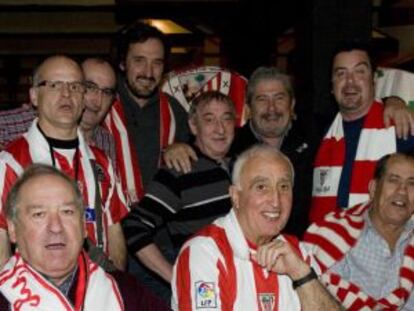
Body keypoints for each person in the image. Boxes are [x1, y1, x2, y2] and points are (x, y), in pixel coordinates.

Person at [171, 145, 341, 310]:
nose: (275, 201)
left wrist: (302, 275)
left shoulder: (298, 253)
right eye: (261, 187)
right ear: (236, 196)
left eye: (284, 187)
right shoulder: (204, 253)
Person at [0, 55, 128, 271]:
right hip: (36, 292)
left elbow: (114, 233)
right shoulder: (10, 163)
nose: (66, 94)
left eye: (76, 86)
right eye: (54, 85)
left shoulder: (101, 161)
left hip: (97, 289)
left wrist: (115, 287)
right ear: (34, 96)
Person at [0, 164, 169, 310]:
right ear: (13, 229)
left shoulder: (126, 291)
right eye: (39, 214)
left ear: (83, 226)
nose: (56, 227)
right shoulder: (4, 297)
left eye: (67, 212)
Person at [122, 91, 235, 301]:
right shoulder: (179, 170)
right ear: (193, 126)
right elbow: (133, 226)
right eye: (209, 120)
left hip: (240, 286)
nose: (220, 129)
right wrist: (175, 277)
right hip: (206, 293)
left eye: (226, 119)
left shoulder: (240, 165)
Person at [310, 41, 414, 223]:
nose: (350, 81)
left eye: (359, 72)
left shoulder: (401, 129)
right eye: (341, 73)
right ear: (331, 86)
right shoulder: (316, 134)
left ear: (373, 79)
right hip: (325, 244)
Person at [304, 152, 414, 310]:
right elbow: (314, 298)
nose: (402, 191)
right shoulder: (333, 234)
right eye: (393, 180)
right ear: (374, 188)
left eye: (412, 184)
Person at [105, 21, 190, 203]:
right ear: (122, 63)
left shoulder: (176, 111)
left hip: (162, 222)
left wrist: (184, 148)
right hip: (110, 219)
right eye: (139, 61)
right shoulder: (102, 104)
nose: (148, 72)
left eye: (157, 63)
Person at [80, 58, 118, 168]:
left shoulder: (106, 141)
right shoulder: (31, 126)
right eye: (90, 87)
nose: (97, 100)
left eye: (106, 92)